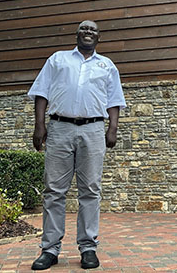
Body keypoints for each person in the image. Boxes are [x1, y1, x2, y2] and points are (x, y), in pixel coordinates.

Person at [28, 20, 126, 270]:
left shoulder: (107, 65)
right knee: (53, 191)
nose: (88, 32)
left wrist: (112, 128)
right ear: (77, 34)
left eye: (93, 30)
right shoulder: (57, 59)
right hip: (59, 128)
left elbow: (114, 99)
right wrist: (40, 126)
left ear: (98, 38)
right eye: (84, 29)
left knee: (90, 190)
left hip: (93, 130)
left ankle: (88, 247)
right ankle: (49, 249)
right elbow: (42, 92)